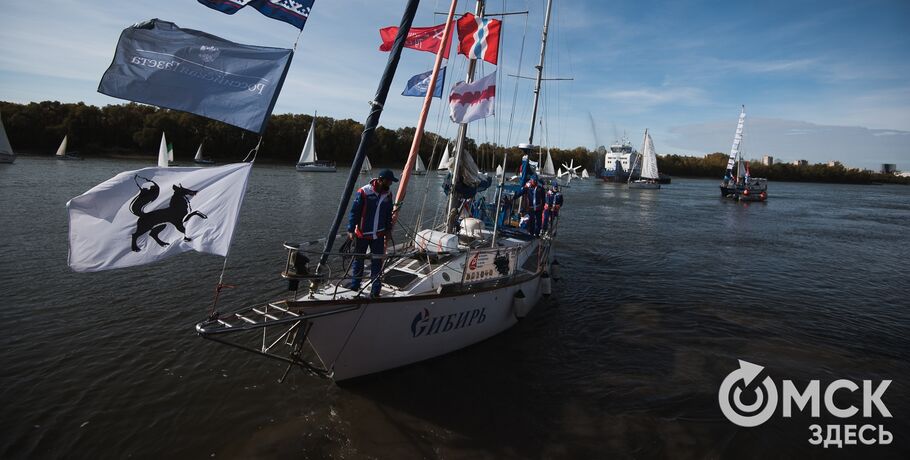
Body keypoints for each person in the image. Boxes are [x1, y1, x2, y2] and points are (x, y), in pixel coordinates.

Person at [347, 169, 398, 297]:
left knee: (377, 262)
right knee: (359, 260)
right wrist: (350, 229)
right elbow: (354, 212)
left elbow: (388, 214)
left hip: (378, 235)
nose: (390, 184)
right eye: (389, 181)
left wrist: (388, 230)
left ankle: (375, 291)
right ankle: (355, 286)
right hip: (362, 234)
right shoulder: (364, 192)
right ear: (381, 180)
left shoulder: (388, 195)